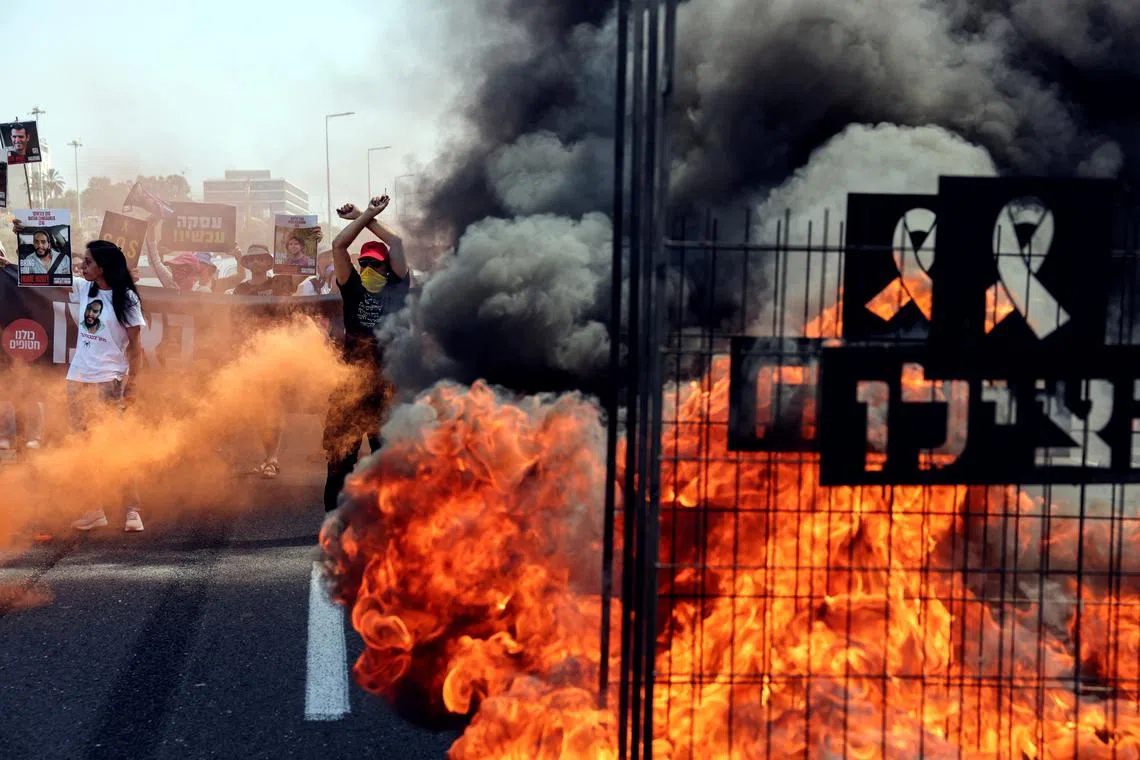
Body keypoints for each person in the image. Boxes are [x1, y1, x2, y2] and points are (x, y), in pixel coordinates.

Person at [323, 195, 409, 513]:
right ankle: (333, 522)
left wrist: (368, 216)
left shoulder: (398, 287)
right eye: (364, 263)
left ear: (388, 267)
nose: (369, 268)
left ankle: (387, 523)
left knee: (386, 462)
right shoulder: (353, 287)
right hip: (349, 390)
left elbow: (397, 241)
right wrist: (360, 219)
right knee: (338, 463)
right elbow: (337, 246)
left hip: (386, 390)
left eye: (375, 263)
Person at [66, 240, 147, 532]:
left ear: (103, 267)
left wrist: (133, 384)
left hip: (109, 381)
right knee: (85, 447)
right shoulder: (84, 287)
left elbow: (136, 347)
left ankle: (131, 510)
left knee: (116, 445)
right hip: (78, 380)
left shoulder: (126, 298)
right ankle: (94, 509)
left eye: (88, 262)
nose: (82, 266)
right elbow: (44, 272)